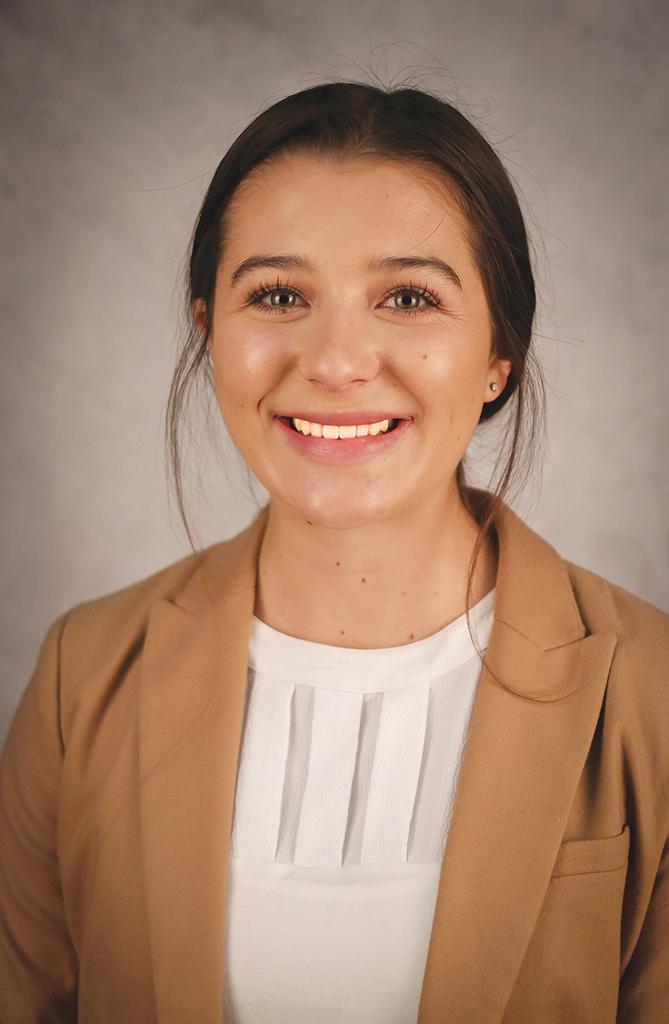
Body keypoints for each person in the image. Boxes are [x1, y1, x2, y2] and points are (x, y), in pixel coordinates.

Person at [0, 80, 667, 1024]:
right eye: (278, 295)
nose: (335, 361)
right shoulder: (83, 676)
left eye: (408, 297)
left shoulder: (652, 694)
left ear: (497, 354)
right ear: (209, 333)